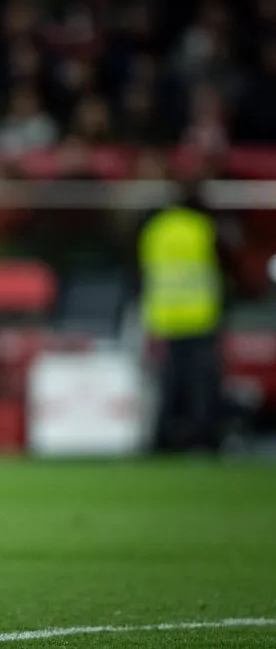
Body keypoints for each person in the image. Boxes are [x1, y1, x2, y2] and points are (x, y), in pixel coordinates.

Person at [137, 180, 229, 452]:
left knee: (168, 382)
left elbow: (143, 271)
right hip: (200, 316)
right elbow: (222, 266)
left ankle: (163, 440)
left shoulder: (155, 230)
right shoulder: (202, 228)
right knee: (201, 383)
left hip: (165, 316)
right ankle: (202, 439)